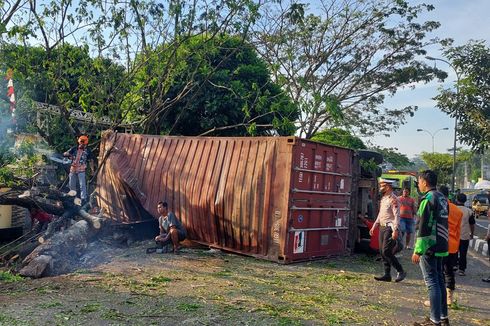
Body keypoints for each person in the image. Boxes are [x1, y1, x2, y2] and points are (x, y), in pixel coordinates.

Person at [412, 170, 449, 326]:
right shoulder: (442, 198)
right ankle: (443, 317)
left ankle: (434, 321)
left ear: (425, 182)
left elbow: (423, 227)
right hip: (442, 244)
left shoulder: (427, 199)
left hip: (430, 245)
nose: (419, 185)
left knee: (432, 282)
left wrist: (418, 250)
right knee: (440, 280)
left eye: (419, 182)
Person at [370, 179, 406, 283]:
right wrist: (374, 226)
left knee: (386, 251)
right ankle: (387, 274)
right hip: (382, 227)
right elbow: (381, 214)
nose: (380, 187)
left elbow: (397, 216)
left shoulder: (393, 199)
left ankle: (400, 270)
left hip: (390, 228)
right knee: (382, 251)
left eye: (382, 185)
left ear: (388, 187)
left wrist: (395, 230)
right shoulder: (384, 198)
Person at [437, 185, 462, 306]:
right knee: (449, 271)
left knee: (438, 272)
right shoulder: (458, 210)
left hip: (440, 244)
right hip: (453, 245)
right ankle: (449, 298)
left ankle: (438, 298)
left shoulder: (438, 207)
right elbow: (458, 231)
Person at [63, 135, 95, 204]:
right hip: (73, 169)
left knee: (82, 185)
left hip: (81, 169)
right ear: (79, 142)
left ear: (86, 143)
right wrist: (67, 154)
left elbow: (91, 160)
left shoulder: (88, 151)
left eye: (83, 143)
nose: (81, 144)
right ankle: (72, 197)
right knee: (71, 184)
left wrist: (92, 171)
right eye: (81, 143)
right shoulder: (74, 148)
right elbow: (66, 153)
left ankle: (83, 199)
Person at [456, 193, 475, 277]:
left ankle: (453, 265)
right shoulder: (469, 211)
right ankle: (461, 270)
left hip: (453, 235)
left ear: (457, 200)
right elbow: (472, 224)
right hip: (464, 235)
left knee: (453, 251)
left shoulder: (453, 209)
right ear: (465, 201)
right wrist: (472, 234)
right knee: (463, 253)